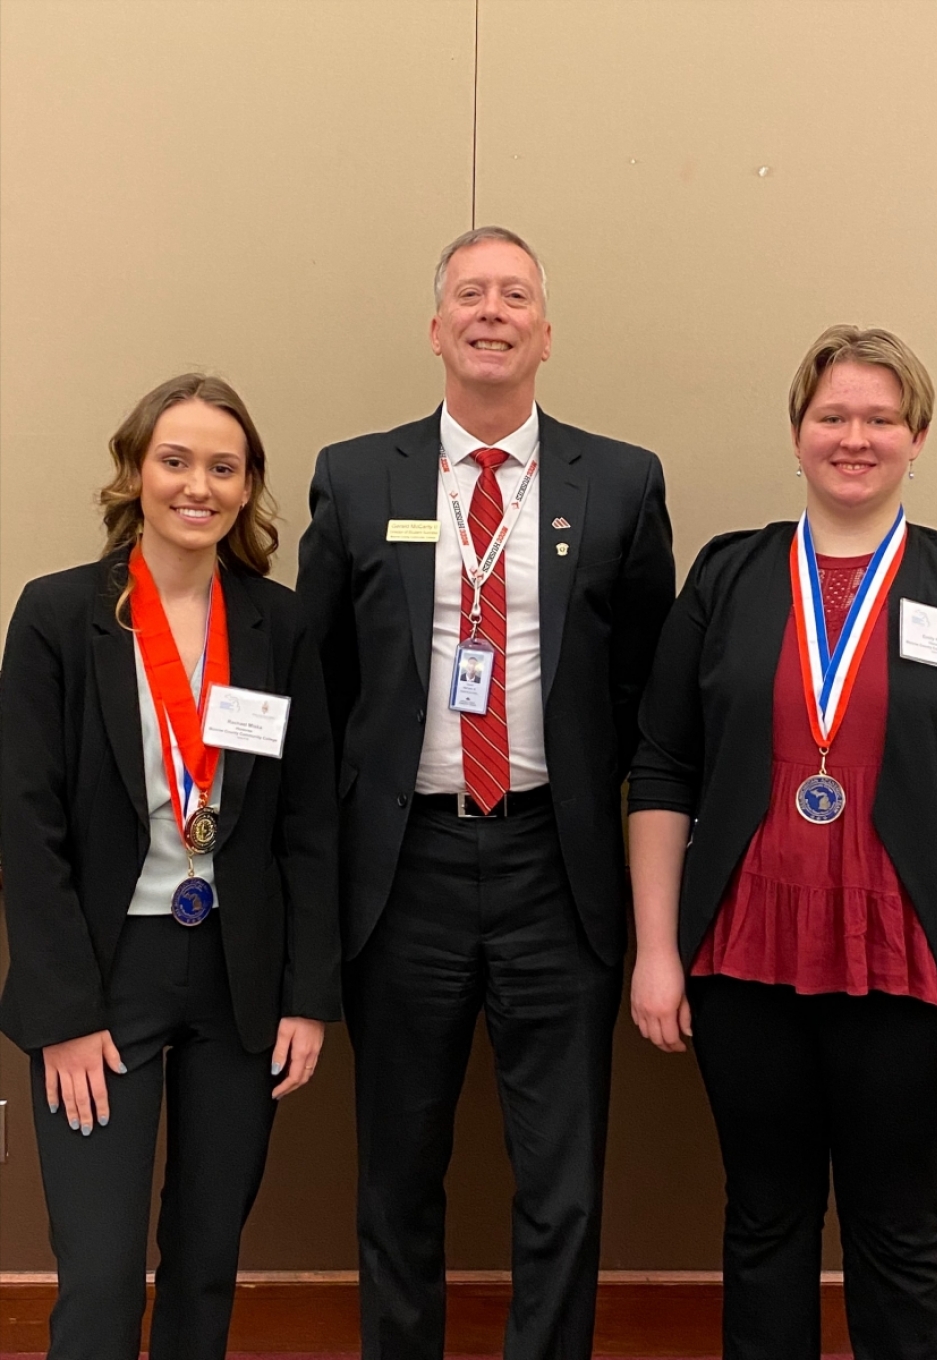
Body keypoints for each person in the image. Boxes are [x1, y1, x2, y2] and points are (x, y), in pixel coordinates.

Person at [297, 225, 674, 1359]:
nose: (493, 311)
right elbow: (324, 680)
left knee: (561, 1180)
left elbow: (642, 684)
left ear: (545, 332)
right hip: (402, 869)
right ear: (437, 328)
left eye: (515, 295)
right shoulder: (359, 475)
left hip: (554, 871)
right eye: (471, 293)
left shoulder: (619, 480)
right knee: (397, 1174)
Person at [627, 325, 937, 1360]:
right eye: (832, 415)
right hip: (744, 957)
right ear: (798, 433)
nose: (856, 437)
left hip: (916, 959)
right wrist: (658, 950)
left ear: (917, 436)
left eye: (881, 418)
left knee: (897, 1225)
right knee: (764, 1220)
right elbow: (662, 769)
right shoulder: (728, 577)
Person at [0, 374, 343, 1360]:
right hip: (104, 979)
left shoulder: (277, 625)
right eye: (176, 459)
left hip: (239, 978)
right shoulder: (61, 616)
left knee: (204, 1257)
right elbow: (27, 827)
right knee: (103, 1275)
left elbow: (310, 822)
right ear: (137, 471)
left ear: (248, 488)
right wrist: (63, 1016)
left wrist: (307, 995)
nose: (198, 484)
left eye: (223, 467)